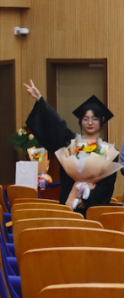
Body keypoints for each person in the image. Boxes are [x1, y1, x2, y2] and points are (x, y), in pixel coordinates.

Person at [23, 80, 117, 214]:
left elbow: (107, 185)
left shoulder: (108, 150)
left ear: (102, 120)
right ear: (80, 121)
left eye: (94, 119)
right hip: (69, 201)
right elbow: (57, 124)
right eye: (85, 119)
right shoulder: (71, 143)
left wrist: (87, 200)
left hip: (92, 207)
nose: (90, 123)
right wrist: (40, 99)